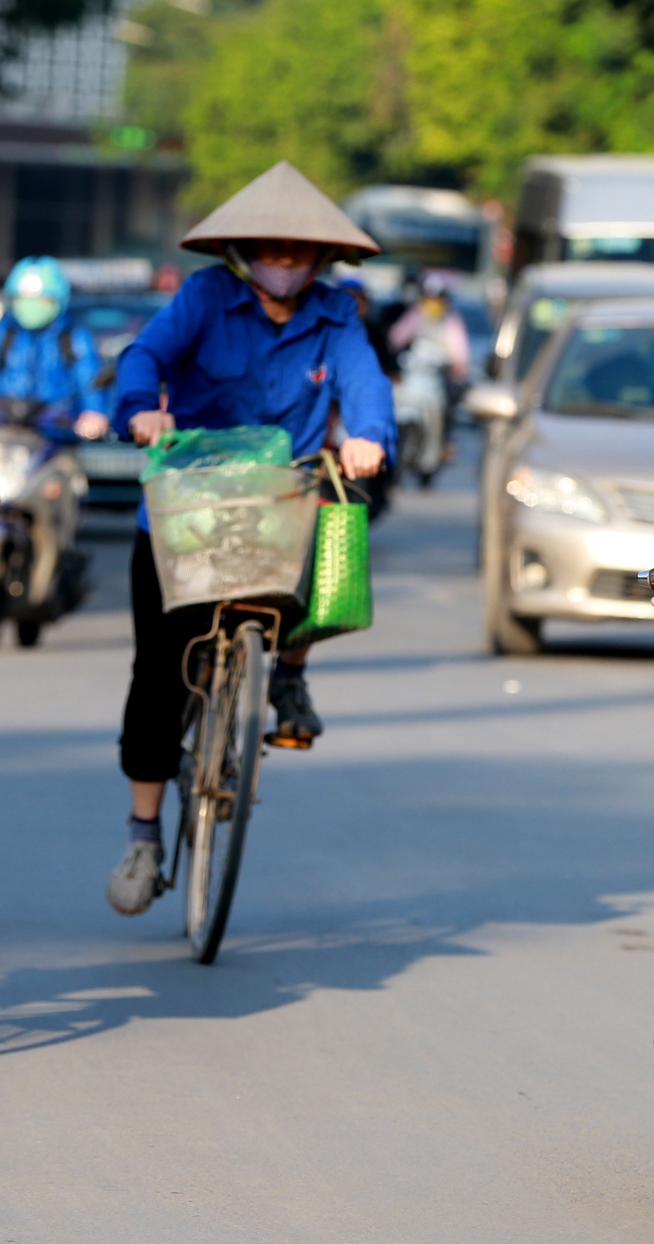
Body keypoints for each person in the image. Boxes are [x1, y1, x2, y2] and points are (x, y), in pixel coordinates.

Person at [104, 161, 396, 916]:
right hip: (189, 501)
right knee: (159, 674)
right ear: (242, 252)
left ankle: (286, 668)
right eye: (274, 249)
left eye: (302, 252)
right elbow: (146, 357)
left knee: (335, 532)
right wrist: (141, 409)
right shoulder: (203, 298)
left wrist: (367, 435)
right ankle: (143, 831)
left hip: (284, 496)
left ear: (323, 259)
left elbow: (367, 387)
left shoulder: (338, 317)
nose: (288, 262)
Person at [0, 256, 111, 437]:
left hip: (55, 433)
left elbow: (90, 380)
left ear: (59, 300)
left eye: (42, 299)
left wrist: (94, 413)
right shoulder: (3, 331)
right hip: (3, 429)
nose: (30, 306)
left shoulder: (72, 336)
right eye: (22, 299)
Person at [387, 271, 470, 487]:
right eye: (429, 298)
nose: (432, 302)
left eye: (437, 298)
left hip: (438, 381)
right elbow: (396, 338)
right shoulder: (416, 315)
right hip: (414, 379)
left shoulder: (451, 320)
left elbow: (460, 354)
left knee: (447, 409)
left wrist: (455, 365)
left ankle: (442, 447)